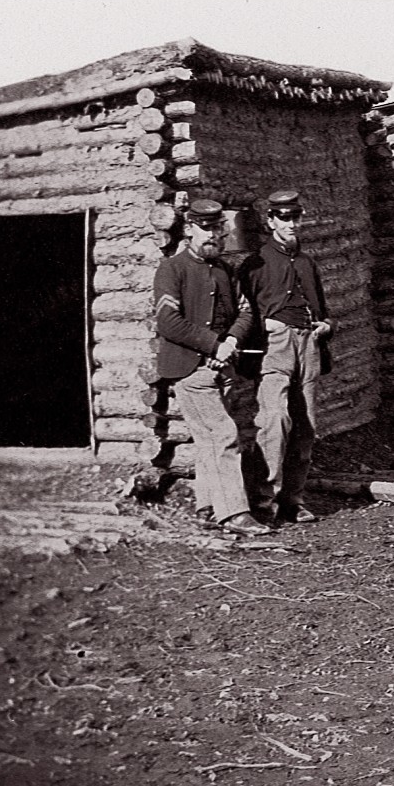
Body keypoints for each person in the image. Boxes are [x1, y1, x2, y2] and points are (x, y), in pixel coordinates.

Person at [153, 199, 263, 535]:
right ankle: (234, 514)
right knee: (222, 434)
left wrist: (229, 342)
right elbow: (168, 321)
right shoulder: (172, 269)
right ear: (188, 229)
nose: (213, 235)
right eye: (206, 228)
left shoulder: (226, 270)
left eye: (218, 228)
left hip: (223, 368)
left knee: (208, 441)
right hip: (191, 370)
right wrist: (213, 345)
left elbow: (245, 312)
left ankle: (207, 506)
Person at [240, 189, 332, 524]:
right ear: (270, 221)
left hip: (308, 344)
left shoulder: (307, 263)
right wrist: (264, 329)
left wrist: (325, 325)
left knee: (305, 425)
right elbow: (242, 313)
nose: (291, 224)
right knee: (275, 419)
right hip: (274, 347)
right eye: (283, 217)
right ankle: (265, 498)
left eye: (295, 217)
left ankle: (294, 499)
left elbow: (322, 308)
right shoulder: (256, 264)